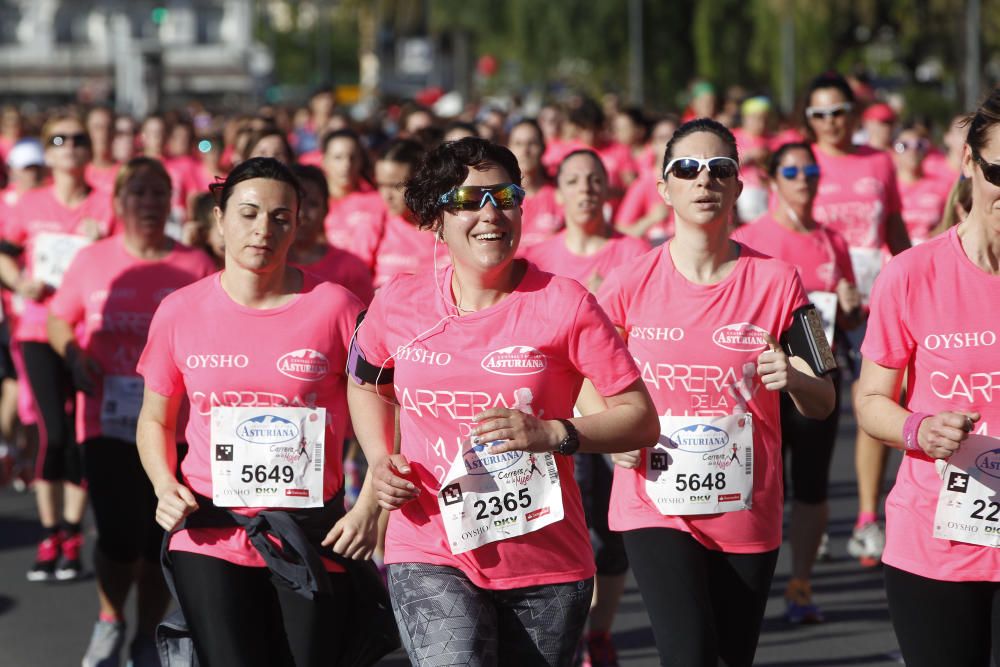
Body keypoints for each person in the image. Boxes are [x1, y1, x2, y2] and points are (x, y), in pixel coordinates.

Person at [349, 137, 659, 665]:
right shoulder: (398, 302)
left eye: (505, 196)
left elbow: (640, 420)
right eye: (470, 200)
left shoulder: (564, 302)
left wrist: (553, 434)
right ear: (436, 218)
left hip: (546, 561)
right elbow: (366, 383)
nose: (491, 212)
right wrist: (380, 460)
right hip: (429, 547)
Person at [598, 118, 836, 666]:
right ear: (664, 188)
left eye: (719, 169)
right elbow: (584, 372)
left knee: (731, 658)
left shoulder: (780, 281)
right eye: (687, 169)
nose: (703, 180)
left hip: (746, 506)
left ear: (737, 186)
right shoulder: (628, 283)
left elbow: (823, 400)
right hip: (653, 501)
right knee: (690, 655)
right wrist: (608, 428)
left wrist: (795, 377)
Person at [136, 157, 379, 666]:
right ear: (219, 219)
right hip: (211, 530)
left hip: (309, 530)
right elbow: (156, 418)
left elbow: (387, 416)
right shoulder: (180, 310)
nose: (263, 230)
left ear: (298, 223)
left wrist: (369, 508)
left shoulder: (337, 307)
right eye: (247, 214)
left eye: (280, 217)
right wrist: (163, 485)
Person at [48, 157, 216, 667]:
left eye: (157, 193)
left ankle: (146, 634)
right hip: (107, 420)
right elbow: (60, 319)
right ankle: (108, 618)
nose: (148, 203)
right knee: (118, 537)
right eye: (137, 193)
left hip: (177, 425)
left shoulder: (197, 265)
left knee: (156, 540)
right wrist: (75, 357)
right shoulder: (94, 260)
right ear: (118, 202)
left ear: (172, 203)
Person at [854, 87, 1000, 667]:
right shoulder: (912, 275)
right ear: (968, 161)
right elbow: (870, 401)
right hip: (937, 547)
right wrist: (919, 429)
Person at [524, 148, 649, 665]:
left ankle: (600, 630)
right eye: (574, 180)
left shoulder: (634, 250)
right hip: (559, 413)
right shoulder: (538, 257)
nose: (586, 189)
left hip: (620, 405)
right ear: (559, 189)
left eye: (595, 179)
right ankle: (568, 634)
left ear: (609, 188)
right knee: (562, 528)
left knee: (610, 535)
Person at [732, 142, 863, 624]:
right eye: (793, 171)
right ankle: (743, 579)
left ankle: (801, 584)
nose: (804, 179)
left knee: (812, 487)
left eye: (811, 170)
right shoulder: (749, 238)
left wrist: (850, 306)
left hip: (813, 377)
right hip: (757, 379)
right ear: (772, 179)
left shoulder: (833, 241)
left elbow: (846, 322)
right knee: (758, 485)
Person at [0, 114, 116, 582]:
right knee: (54, 430)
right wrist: (20, 283)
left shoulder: (105, 205)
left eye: (78, 140)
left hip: (87, 331)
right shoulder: (28, 203)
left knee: (81, 430)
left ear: (89, 151)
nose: (68, 147)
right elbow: (5, 257)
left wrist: (102, 242)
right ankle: (51, 533)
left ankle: (72, 531)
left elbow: (124, 259)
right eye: (58, 140)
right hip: (35, 328)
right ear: (47, 152)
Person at [805, 72, 911, 567]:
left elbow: (893, 227)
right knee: (810, 412)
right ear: (808, 121)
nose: (831, 123)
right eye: (819, 115)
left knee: (874, 400)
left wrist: (915, 283)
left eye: (839, 112)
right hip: (817, 308)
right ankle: (813, 513)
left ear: (854, 113)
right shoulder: (801, 164)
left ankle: (867, 516)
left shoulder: (878, 161)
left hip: (875, 303)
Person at [352, 139, 439, 288]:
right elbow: (355, 282)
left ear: (421, 181)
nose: (386, 195)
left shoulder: (445, 228)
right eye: (381, 185)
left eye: (395, 186)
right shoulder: (374, 223)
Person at [290, 164, 375, 305]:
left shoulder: (351, 267)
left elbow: (366, 322)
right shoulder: (266, 264)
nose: (303, 213)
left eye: (312, 204)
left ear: (326, 209)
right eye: (297, 203)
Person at [320, 129, 383, 255]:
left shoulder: (378, 202)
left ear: (360, 161)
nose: (346, 164)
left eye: (352, 157)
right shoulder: (312, 202)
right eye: (338, 157)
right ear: (324, 160)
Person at [507, 119, 563, 250]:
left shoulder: (560, 196)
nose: (525, 151)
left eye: (532, 143)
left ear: (543, 148)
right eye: (518, 143)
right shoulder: (497, 198)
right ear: (509, 148)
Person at [893, 125, 951, 245]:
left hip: (931, 253)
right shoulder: (888, 187)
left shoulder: (944, 186)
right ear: (893, 150)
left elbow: (952, 222)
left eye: (919, 145)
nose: (912, 151)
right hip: (893, 258)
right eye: (904, 146)